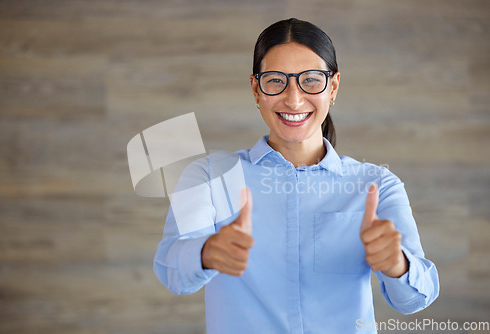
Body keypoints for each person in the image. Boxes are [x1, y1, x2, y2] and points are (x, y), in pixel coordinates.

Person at [154, 18, 439, 334]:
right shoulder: (207, 176)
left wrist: (396, 264)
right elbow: (171, 271)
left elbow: (416, 298)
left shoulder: (378, 185)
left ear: (333, 87)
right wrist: (206, 252)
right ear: (255, 89)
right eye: (275, 80)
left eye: (312, 80)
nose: (293, 98)